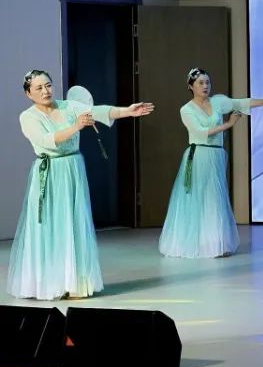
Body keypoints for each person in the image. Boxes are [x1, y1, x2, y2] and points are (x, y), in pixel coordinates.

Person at [8, 70, 154, 300]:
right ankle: (49, 283)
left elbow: (98, 111)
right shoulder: (28, 117)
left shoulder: (68, 106)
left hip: (72, 169)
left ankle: (75, 283)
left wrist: (127, 111)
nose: (46, 91)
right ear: (29, 93)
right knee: (51, 226)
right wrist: (76, 126)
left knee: (73, 224)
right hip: (50, 172)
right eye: (39, 88)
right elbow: (48, 140)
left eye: (48, 85)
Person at [159, 68, 263, 259]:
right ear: (191, 86)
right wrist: (229, 124)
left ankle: (215, 243)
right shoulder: (186, 110)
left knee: (215, 198)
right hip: (199, 155)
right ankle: (196, 243)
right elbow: (200, 132)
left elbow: (241, 102)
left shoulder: (217, 102)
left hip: (216, 155)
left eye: (207, 82)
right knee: (199, 198)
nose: (205, 86)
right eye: (200, 83)